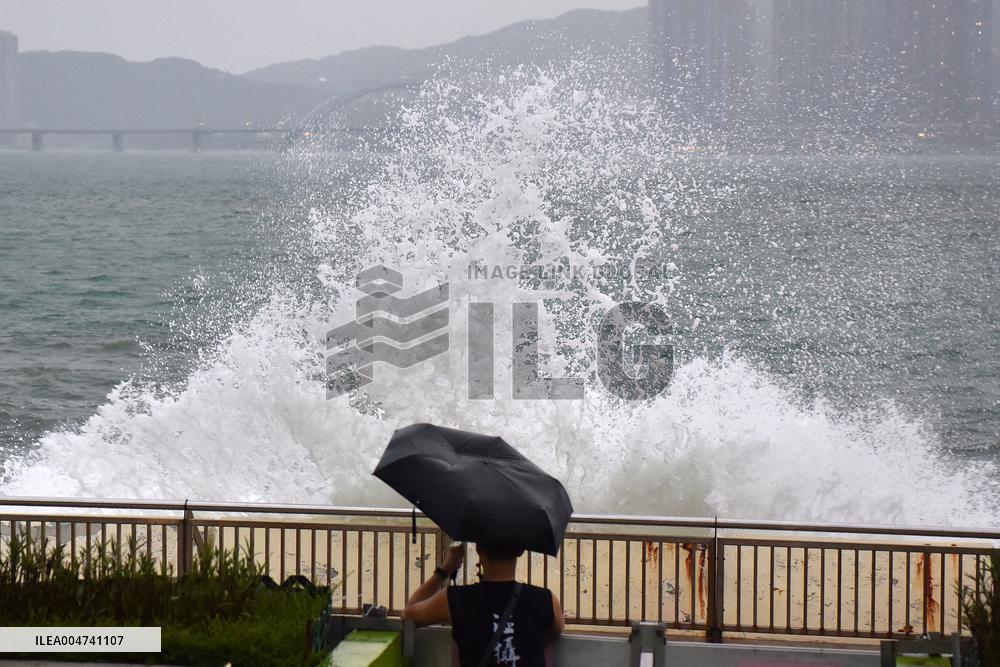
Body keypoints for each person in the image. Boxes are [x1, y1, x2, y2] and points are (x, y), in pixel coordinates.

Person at [402, 543, 564, 667]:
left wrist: (446, 569)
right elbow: (555, 631)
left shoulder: (454, 598)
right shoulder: (547, 600)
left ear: (478, 548)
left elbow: (408, 616)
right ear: (520, 551)